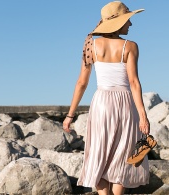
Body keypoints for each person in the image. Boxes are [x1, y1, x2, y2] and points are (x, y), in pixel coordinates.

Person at [62, 1, 149, 195]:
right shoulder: (131, 46)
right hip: (126, 104)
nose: (130, 25)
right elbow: (134, 83)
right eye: (128, 20)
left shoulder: (90, 45)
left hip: (101, 103)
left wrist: (70, 115)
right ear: (117, 22)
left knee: (98, 154)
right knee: (124, 156)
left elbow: (81, 83)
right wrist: (143, 115)